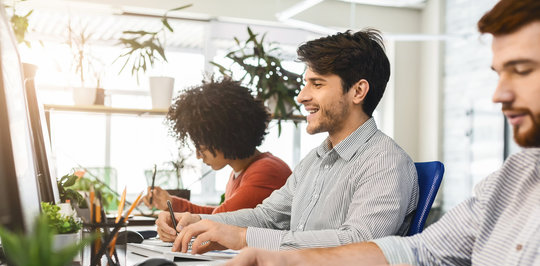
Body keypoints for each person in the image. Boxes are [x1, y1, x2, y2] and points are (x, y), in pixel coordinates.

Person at [206, 0, 540, 266]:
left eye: (523, 70)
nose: (499, 94)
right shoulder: (512, 179)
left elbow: (361, 238)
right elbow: (417, 252)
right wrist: (283, 262)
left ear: (358, 91)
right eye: (499, 74)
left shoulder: (386, 161)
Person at [157, 29, 419, 254]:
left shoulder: (385, 162)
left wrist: (241, 237)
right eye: (306, 84)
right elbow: (267, 218)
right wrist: (197, 221)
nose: (302, 96)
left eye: (316, 84)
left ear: (358, 91)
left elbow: (357, 244)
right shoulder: (315, 161)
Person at [142, 78, 292, 214]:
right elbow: (222, 216)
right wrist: (171, 203)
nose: (198, 155)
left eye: (201, 147)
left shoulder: (266, 171)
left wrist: (175, 213)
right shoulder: (241, 171)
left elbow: (218, 220)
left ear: (224, 137)